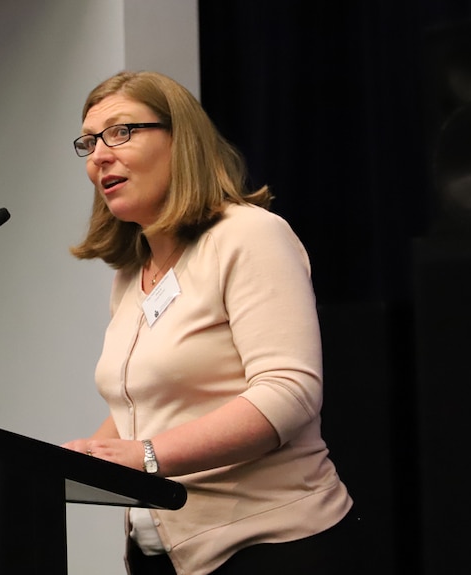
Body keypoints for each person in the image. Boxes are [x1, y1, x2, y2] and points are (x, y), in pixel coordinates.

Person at [63, 70, 359, 575]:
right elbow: (147, 402)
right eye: (89, 142)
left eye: (120, 132)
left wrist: (147, 456)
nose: (99, 156)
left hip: (272, 547)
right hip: (164, 557)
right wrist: (82, 458)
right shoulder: (135, 273)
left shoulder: (250, 236)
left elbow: (287, 393)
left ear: (182, 140)